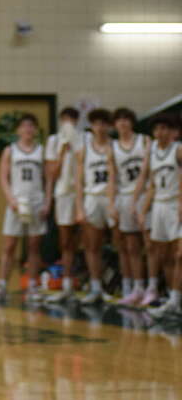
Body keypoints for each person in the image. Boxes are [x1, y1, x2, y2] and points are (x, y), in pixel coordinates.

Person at [0, 114, 50, 303]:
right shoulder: (10, 150)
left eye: (31, 125)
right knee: (9, 245)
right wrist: (10, 199)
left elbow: (48, 180)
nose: (28, 129)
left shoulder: (41, 151)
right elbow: (4, 177)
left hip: (36, 201)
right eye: (24, 126)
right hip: (17, 202)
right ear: (18, 130)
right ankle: (2, 286)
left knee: (33, 246)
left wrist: (47, 202)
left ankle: (32, 285)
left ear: (36, 129)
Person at [139, 115, 181, 315]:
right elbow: (152, 186)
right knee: (164, 256)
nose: (160, 132)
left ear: (173, 131)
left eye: (165, 128)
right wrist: (142, 210)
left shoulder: (178, 149)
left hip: (175, 204)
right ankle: (173, 299)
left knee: (178, 254)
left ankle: (175, 300)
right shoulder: (153, 153)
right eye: (157, 129)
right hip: (159, 206)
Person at [74, 108, 117, 305]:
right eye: (96, 123)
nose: (99, 127)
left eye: (103, 123)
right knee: (92, 245)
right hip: (92, 197)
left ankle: (124, 285)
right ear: (91, 127)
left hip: (113, 198)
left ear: (109, 126)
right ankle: (96, 286)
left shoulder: (115, 147)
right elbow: (79, 181)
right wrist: (79, 208)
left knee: (122, 243)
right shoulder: (84, 149)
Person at [111, 108, 149, 305]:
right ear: (115, 124)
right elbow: (112, 178)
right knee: (131, 246)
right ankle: (136, 287)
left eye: (127, 119)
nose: (123, 123)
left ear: (132, 122)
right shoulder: (114, 147)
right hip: (125, 197)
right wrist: (112, 204)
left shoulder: (144, 140)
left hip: (146, 195)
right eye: (119, 120)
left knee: (151, 246)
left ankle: (153, 288)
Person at [45, 108, 82, 303]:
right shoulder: (53, 141)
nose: (69, 123)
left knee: (88, 241)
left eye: (72, 119)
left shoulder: (84, 138)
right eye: (66, 119)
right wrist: (62, 152)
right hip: (64, 195)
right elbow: (52, 173)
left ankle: (92, 285)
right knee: (65, 241)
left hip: (84, 194)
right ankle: (67, 283)